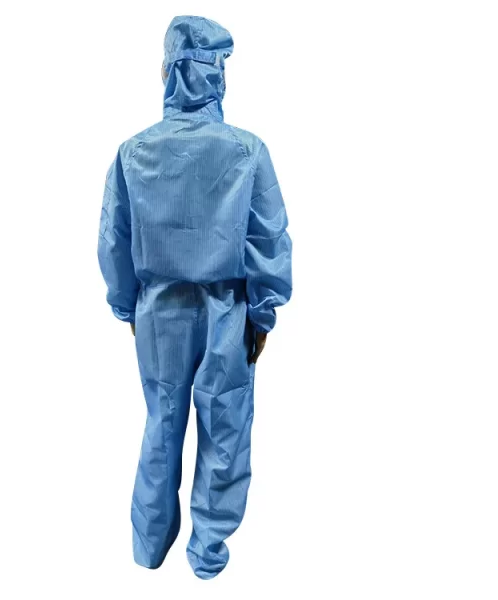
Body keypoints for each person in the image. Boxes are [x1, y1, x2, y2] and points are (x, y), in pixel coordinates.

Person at [98, 15, 292, 579]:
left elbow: (114, 239)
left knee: (161, 425)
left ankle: (148, 549)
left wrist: (127, 305)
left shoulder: (133, 152)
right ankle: (206, 555)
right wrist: (263, 313)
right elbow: (269, 238)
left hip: (158, 312)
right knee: (224, 430)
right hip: (227, 311)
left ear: (166, 72)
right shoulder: (247, 151)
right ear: (219, 75)